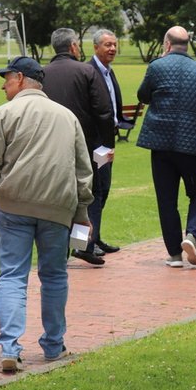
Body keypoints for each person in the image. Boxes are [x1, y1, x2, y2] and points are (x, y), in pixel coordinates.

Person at [0, 56, 94, 373]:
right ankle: (54, 345)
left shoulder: (3, 114)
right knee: (54, 275)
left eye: (5, 78)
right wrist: (82, 211)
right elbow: (83, 170)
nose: (3, 85)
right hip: (58, 208)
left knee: (12, 276)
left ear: (19, 78)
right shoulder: (67, 116)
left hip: (13, 205)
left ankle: (10, 348)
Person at [135, 26, 196, 268]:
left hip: (160, 144)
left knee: (166, 199)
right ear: (188, 44)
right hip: (193, 145)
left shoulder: (156, 66)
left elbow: (143, 95)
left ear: (166, 44)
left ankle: (174, 254)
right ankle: (192, 235)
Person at [42, 27, 115, 266]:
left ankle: (59, 251)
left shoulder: (41, 74)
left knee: (56, 199)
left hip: (50, 149)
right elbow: (104, 112)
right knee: (88, 197)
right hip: (85, 148)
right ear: (74, 46)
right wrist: (107, 145)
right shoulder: (86, 71)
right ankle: (82, 245)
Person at [87, 28, 125, 256]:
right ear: (95, 47)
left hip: (106, 142)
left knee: (103, 189)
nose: (112, 48)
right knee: (93, 193)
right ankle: (84, 244)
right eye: (107, 45)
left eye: (114, 44)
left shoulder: (109, 72)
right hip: (94, 143)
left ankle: (95, 238)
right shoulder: (88, 71)